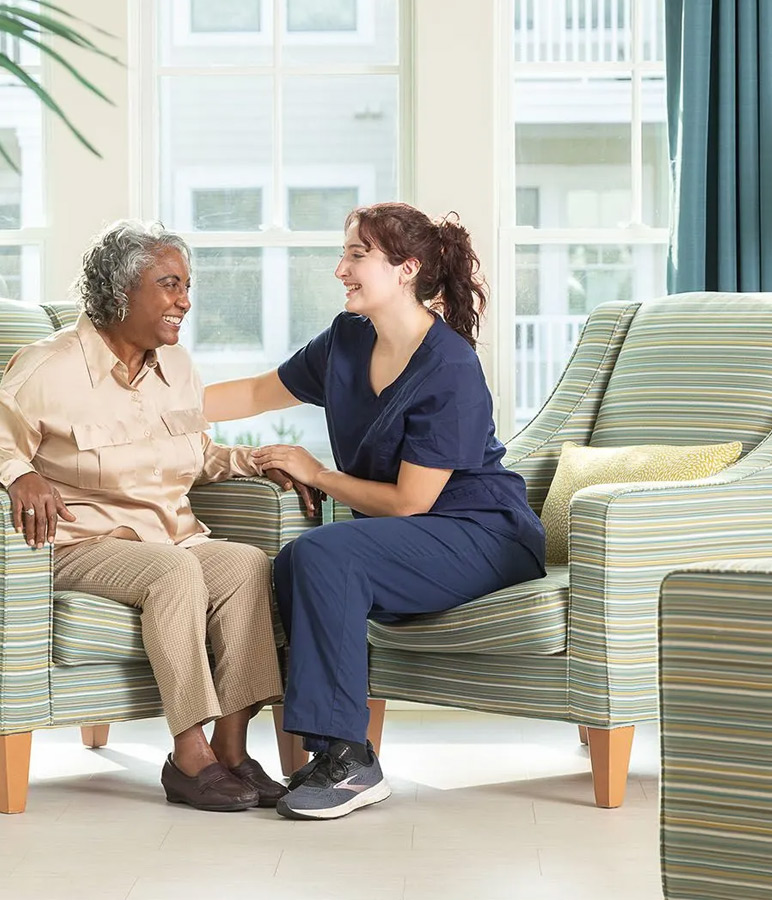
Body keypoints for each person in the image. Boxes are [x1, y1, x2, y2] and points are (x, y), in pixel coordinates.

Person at [0, 220, 315, 813]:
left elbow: (194, 454)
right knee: (174, 575)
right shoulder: (49, 367)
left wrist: (254, 461)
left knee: (247, 564)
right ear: (120, 293)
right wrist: (19, 473)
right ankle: (188, 757)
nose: (185, 301)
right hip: (81, 543)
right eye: (169, 285)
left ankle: (232, 747)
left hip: (172, 537)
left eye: (187, 285)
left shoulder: (178, 368)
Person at [204, 202, 546, 821]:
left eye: (356, 255)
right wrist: (153, 404)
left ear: (407, 268)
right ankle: (327, 753)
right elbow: (257, 391)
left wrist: (317, 473)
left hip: (481, 535)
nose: (341, 269)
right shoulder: (347, 340)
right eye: (344, 255)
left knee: (320, 554)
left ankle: (352, 759)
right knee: (287, 570)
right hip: (406, 537)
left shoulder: (450, 365)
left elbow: (414, 501)